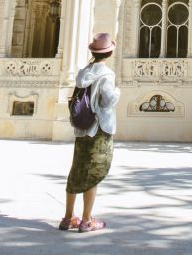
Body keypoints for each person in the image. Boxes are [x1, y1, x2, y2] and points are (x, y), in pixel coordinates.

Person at [59, 32, 120, 233]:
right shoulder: (106, 74)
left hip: (81, 128)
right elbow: (108, 100)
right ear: (110, 52)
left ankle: (68, 217)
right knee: (92, 173)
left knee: (76, 169)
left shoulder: (82, 73)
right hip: (99, 127)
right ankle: (86, 220)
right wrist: (118, 92)